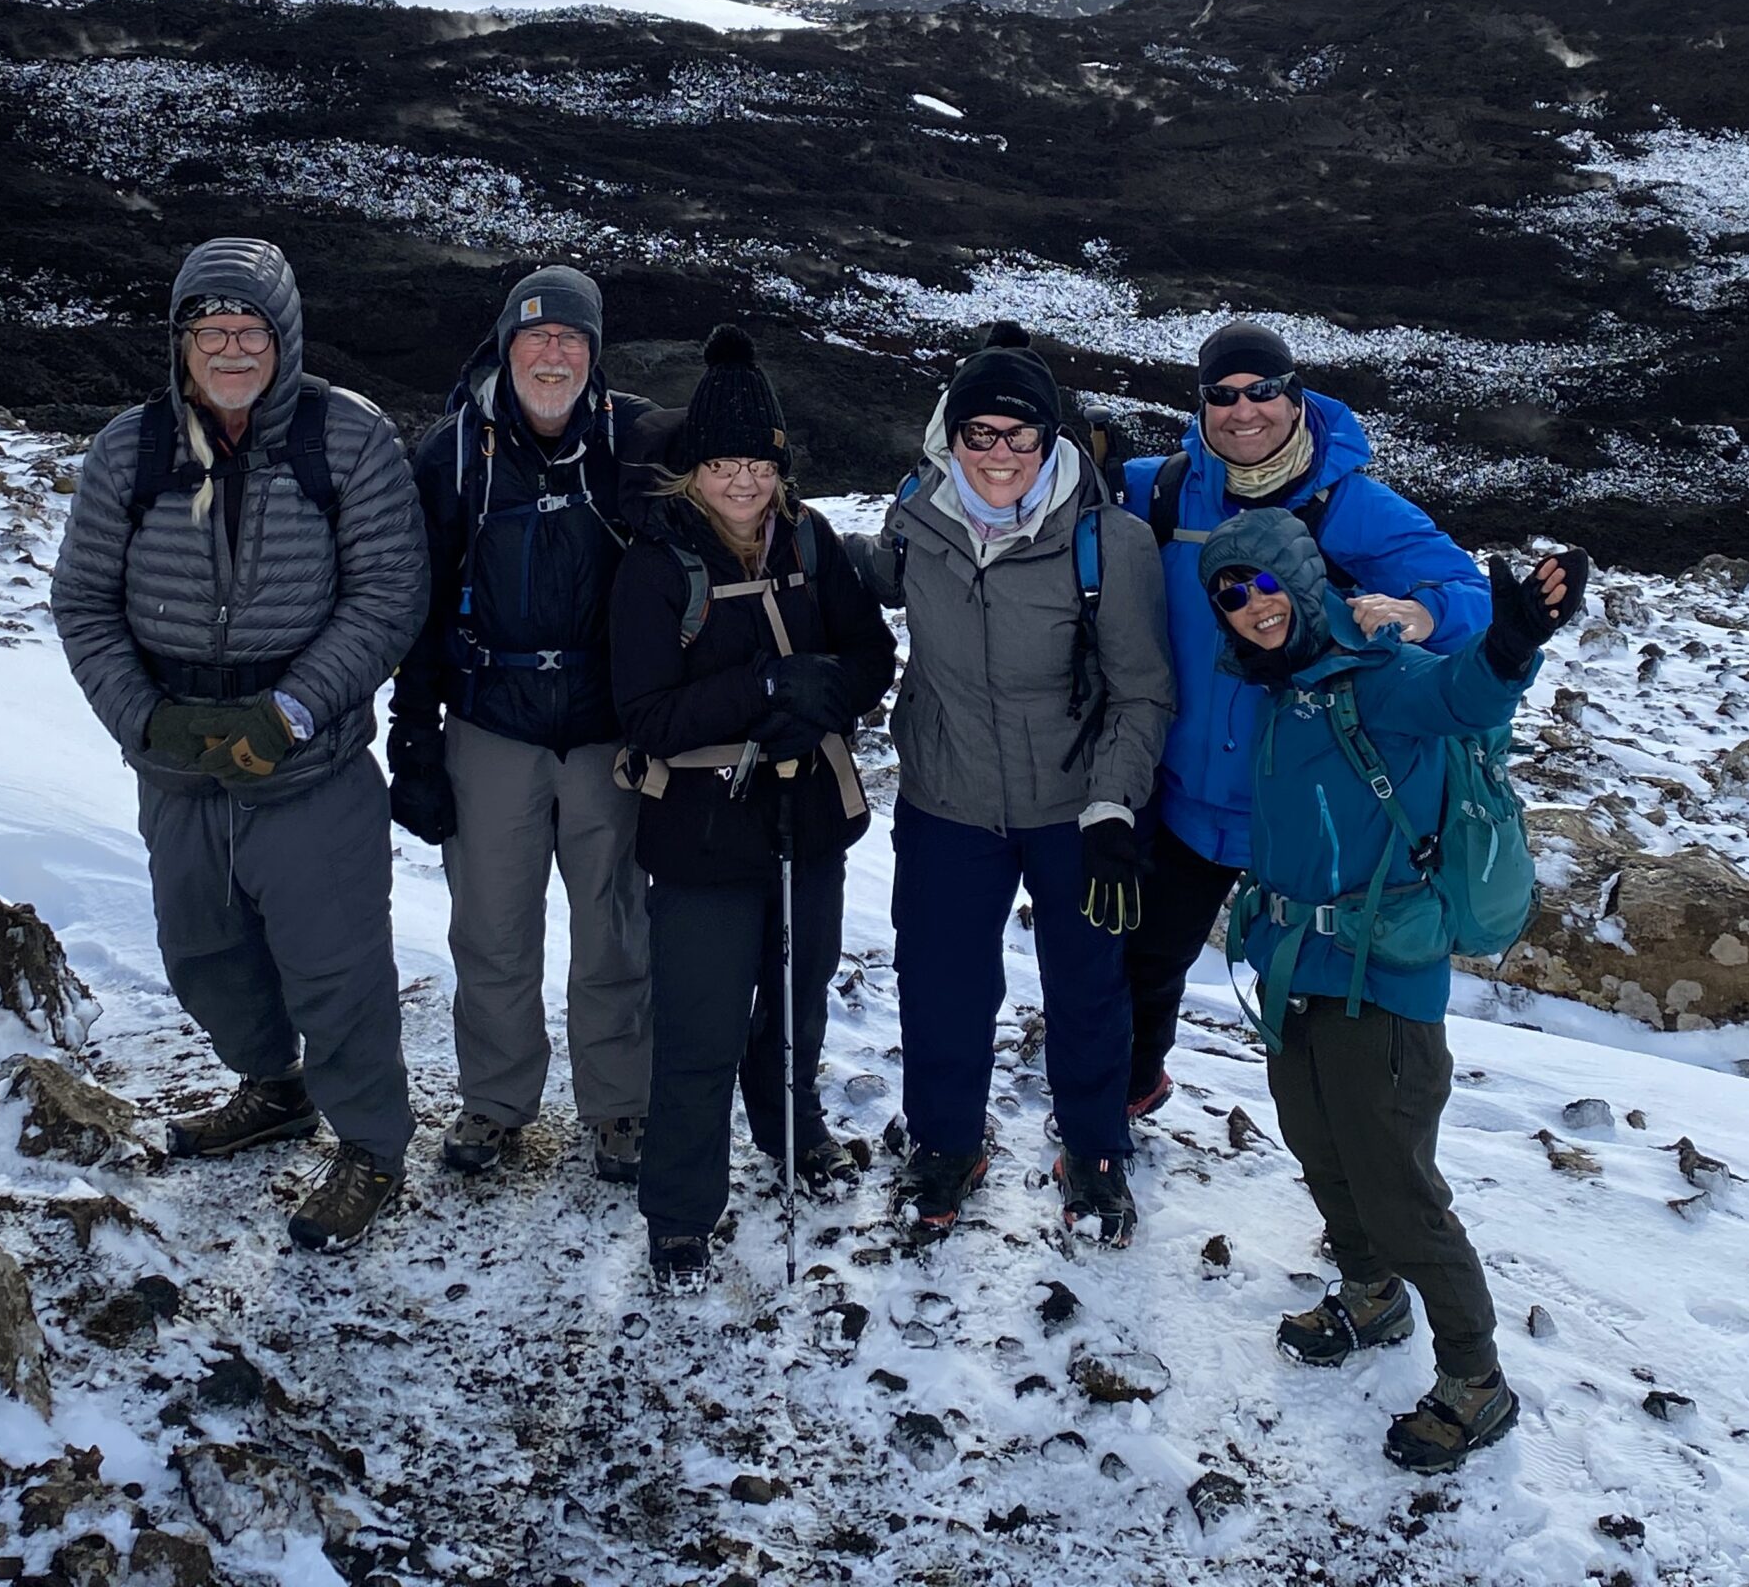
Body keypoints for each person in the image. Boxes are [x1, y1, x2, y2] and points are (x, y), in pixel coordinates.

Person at [51, 238, 429, 1253]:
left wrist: (292, 710)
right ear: (179, 341)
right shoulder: (129, 452)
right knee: (203, 952)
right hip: (177, 765)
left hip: (308, 766)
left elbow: (389, 593)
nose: (229, 347)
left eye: (249, 327)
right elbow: (84, 603)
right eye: (208, 328)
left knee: (336, 966)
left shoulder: (345, 441)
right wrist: (146, 719)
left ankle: (371, 1146)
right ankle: (273, 1087)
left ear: (283, 336)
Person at [1200, 505, 1586, 1471]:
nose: (1252, 608)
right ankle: (1371, 1297)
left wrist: (1510, 641)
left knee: (1397, 1183)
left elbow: (1467, 697)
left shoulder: (1379, 677)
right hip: (1298, 968)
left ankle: (1475, 1379)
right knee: (1320, 1148)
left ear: (1306, 584)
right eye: (1231, 595)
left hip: (1386, 978)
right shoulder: (1273, 688)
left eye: (1267, 585)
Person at [848, 323, 1174, 1249]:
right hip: (947, 797)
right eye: (979, 434)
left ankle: (1095, 1149)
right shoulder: (919, 515)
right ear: (950, 436)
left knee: (1088, 985)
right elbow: (877, 582)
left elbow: (1144, 694)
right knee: (941, 982)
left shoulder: (1107, 542)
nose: (999, 455)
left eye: (1018, 436)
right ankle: (946, 1145)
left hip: (1077, 810)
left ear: (1051, 441)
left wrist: (1114, 807)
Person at [1114, 319, 1489, 1122]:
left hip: (1309, 809)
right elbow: (1027, 477)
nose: (1243, 411)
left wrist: (1422, 614)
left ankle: (1361, 1172)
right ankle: (1134, 1090)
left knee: (1326, 999)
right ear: (1202, 403)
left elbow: (1473, 596)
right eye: (1222, 395)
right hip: (1187, 795)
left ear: (1295, 394)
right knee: (1148, 963)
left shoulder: (1352, 506)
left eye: (1262, 391)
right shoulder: (1165, 490)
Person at [609, 326, 896, 1290]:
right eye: (722, 464)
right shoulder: (657, 564)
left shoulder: (812, 543)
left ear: (781, 465)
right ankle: (682, 1209)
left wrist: (825, 695)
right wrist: (769, 687)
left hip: (807, 815)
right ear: (692, 469)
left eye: (758, 463)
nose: (742, 483)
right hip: (699, 827)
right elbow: (646, 715)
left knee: (798, 998)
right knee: (699, 1021)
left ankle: (790, 1129)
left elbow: (870, 658)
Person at [388, 266, 660, 1185]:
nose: (555, 354)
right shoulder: (454, 452)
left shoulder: (635, 442)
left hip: (605, 733)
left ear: (594, 353)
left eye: (573, 339)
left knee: (614, 926)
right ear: (507, 346)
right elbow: (418, 604)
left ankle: (620, 1104)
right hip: (489, 725)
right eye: (536, 337)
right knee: (492, 929)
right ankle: (496, 1102)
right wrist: (414, 733)